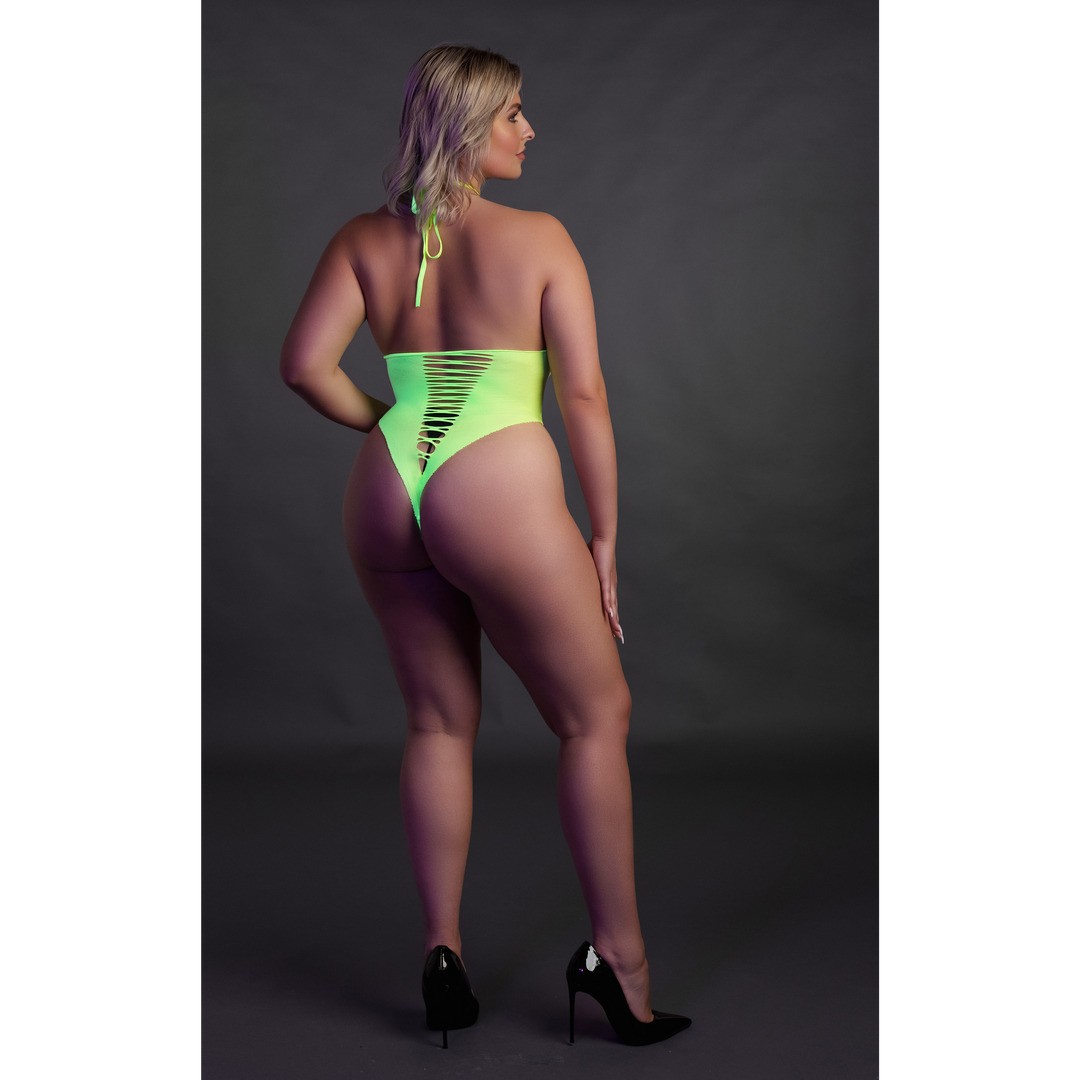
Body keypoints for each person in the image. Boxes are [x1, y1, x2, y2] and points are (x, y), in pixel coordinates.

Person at [279, 43, 690, 1049]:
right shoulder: (540, 238)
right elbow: (583, 395)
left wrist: (393, 420)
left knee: (436, 723)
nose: (528, 130)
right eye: (511, 114)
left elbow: (303, 366)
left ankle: (442, 953)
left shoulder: (362, 240)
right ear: (466, 127)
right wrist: (604, 534)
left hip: (389, 480)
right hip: (495, 480)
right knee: (596, 718)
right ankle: (620, 966)